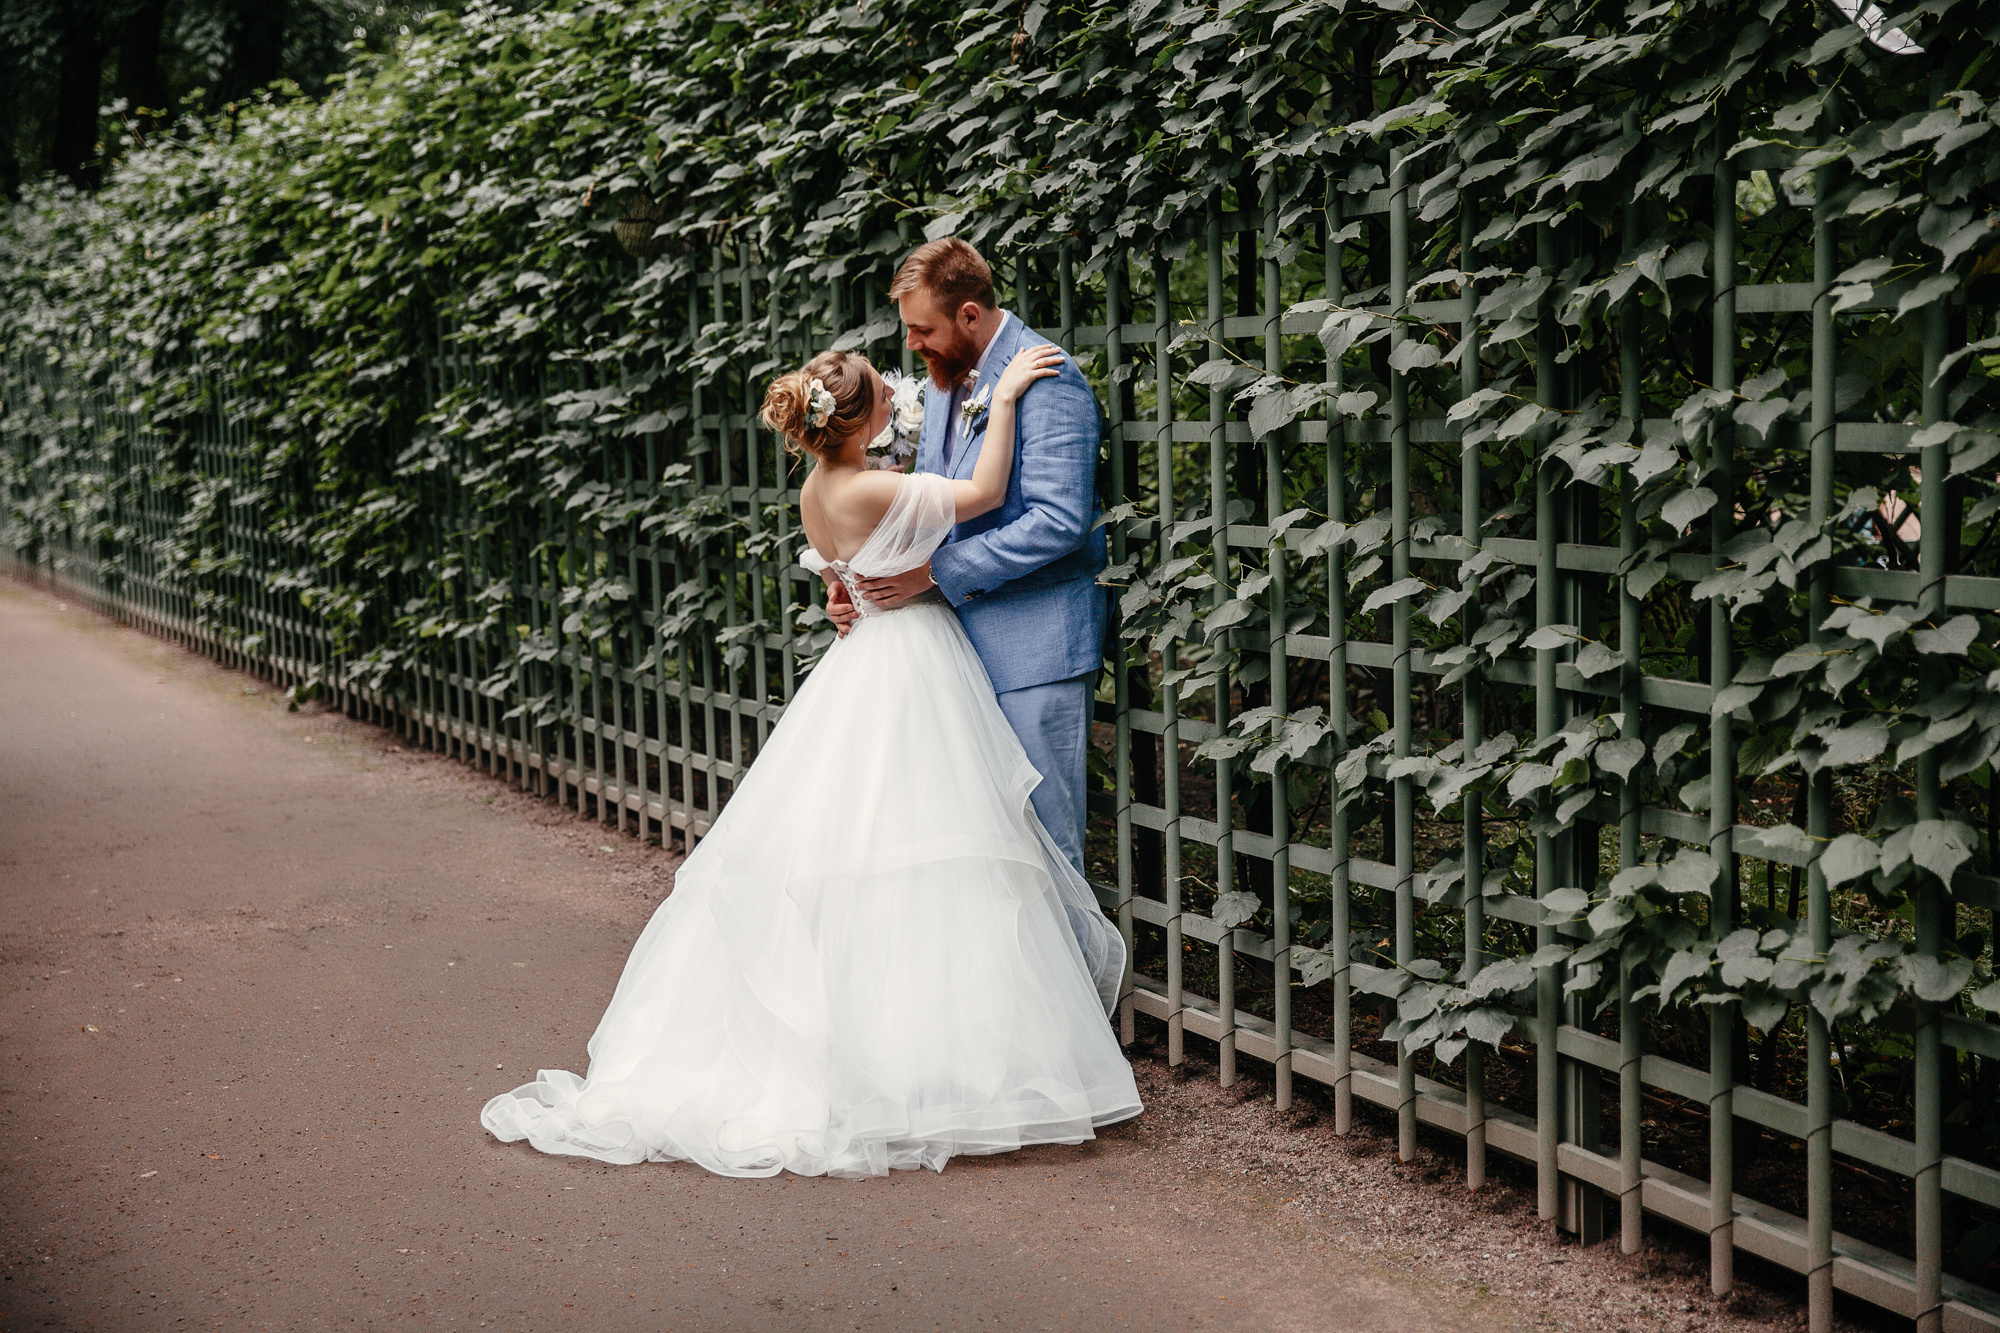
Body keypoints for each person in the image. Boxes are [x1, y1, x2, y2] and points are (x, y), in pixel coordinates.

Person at [479, 341, 1140, 1180]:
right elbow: (983, 493)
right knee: (932, 831)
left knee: (857, 830)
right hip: (912, 660)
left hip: (860, 660)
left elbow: (844, 567)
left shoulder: (815, 490)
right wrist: (1003, 402)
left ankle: (873, 1047)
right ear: (868, 422)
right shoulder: (873, 484)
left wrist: (847, 580)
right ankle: (939, 1057)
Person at [831, 238, 1109, 886]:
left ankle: (1075, 990)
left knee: (1049, 848)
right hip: (956, 653)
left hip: (1035, 650)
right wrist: (860, 585)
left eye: (922, 329)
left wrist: (933, 576)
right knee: (987, 854)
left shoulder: (1046, 374)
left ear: (969, 318)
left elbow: (1059, 522)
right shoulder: (950, 379)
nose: (912, 344)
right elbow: (930, 501)